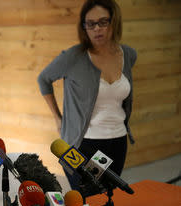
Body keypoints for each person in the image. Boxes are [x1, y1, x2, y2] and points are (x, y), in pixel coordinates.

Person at [37, 0, 137, 193]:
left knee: (109, 196)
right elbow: (44, 79)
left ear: (114, 22)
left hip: (117, 140)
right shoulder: (74, 57)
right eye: (90, 23)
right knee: (87, 200)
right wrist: (58, 118)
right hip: (83, 143)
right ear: (84, 26)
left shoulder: (128, 55)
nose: (96, 29)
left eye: (103, 22)